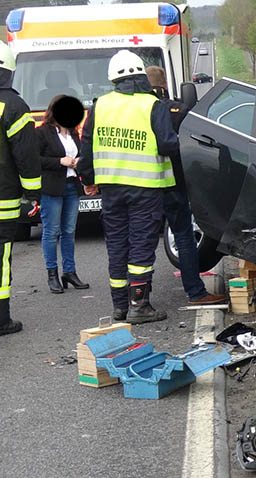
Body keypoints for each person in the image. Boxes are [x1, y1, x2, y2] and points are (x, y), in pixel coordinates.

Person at [77, 50, 179, 324]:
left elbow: (86, 146)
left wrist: (88, 180)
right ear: (140, 75)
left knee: (118, 245)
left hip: (111, 189)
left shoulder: (101, 105)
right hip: (145, 187)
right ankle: (139, 305)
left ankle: (120, 306)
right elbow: (168, 144)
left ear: (113, 79)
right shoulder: (152, 104)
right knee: (142, 245)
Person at [145, 66, 224, 305]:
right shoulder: (177, 110)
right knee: (183, 236)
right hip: (176, 182)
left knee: (143, 240)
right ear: (165, 85)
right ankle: (195, 292)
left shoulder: (138, 111)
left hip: (144, 183)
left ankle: (138, 296)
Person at [0, 41, 41, 337]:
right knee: (1, 258)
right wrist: (33, 193)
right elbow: (26, 156)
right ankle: (2, 319)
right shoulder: (13, 106)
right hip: (3, 198)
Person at [36, 94, 89, 294]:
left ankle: (69, 272)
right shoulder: (42, 133)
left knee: (69, 231)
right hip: (52, 187)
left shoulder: (74, 134)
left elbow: (81, 154)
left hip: (71, 185)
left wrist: (78, 162)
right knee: (51, 232)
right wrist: (60, 161)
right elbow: (35, 159)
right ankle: (52, 274)